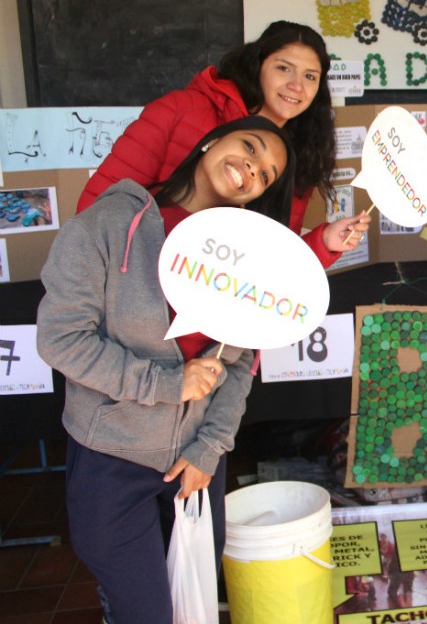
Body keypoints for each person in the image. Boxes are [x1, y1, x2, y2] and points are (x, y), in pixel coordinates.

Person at [37, 116, 296, 624]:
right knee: (144, 611)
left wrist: (210, 448)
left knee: (189, 600)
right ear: (207, 141)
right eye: (250, 146)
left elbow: (239, 368)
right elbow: (60, 339)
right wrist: (165, 384)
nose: (253, 167)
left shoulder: (246, 260)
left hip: (196, 465)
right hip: (112, 459)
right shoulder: (107, 225)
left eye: (266, 174)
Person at [78, 20, 369, 264]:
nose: (297, 86)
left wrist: (324, 242)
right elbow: (96, 212)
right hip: (137, 303)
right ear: (258, 65)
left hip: (214, 318)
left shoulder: (298, 156)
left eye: (310, 76)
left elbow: (273, 261)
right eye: (284, 68)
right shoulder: (182, 109)